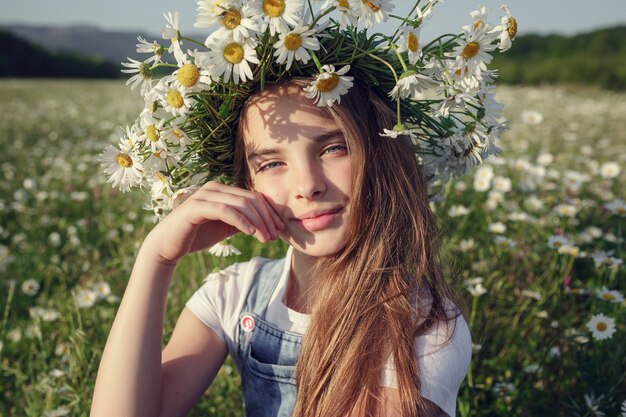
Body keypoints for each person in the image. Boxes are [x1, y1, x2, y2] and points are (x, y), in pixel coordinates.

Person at [92, 2, 515, 415]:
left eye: (333, 148)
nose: (307, 185)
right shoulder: (235, 294)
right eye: (272, 163)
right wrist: (157, 257)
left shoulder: (424, 326)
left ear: (381, 154)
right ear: (247, 186)